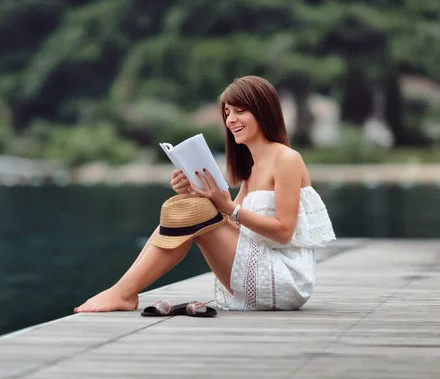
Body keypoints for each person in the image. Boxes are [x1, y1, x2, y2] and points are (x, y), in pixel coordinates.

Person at [74, 75, 335, 313]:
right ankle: (123, 291)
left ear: (263, 111)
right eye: (227, 112)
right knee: (186, 206)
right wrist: (196, 194)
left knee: (195, 212)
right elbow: (230, 223)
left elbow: (284, 230)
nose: (231, 119)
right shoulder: (252, 168)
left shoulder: (287, 159)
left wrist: (227, 207)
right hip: (260, 265)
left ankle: (123, 293)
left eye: (240, 111)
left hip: (283, 278)